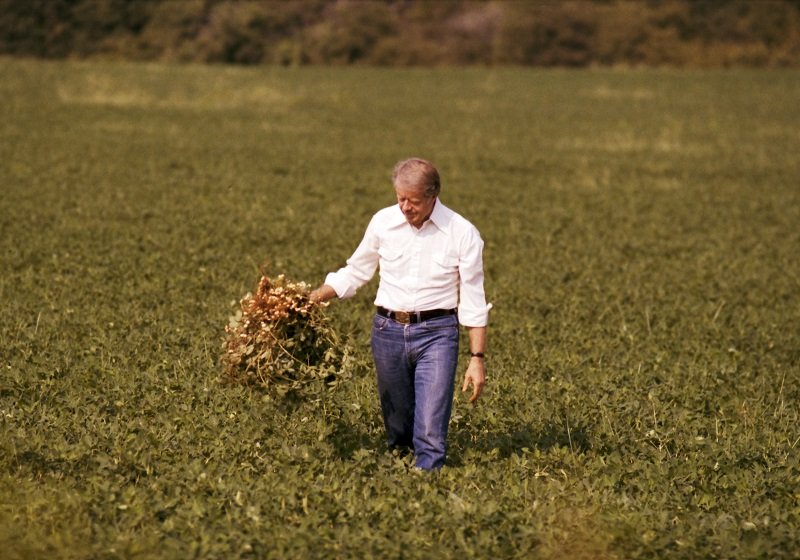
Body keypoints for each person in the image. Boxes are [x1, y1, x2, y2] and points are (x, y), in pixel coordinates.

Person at [309, 158, 490, 470]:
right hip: (387, 332)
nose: (405, 207)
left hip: (437, 334)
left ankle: (428, 488)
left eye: (413, 201)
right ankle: (400, 485)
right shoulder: (383, 222)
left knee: (431, 430)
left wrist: (477, 358)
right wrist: (313, 297)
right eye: (400, 198)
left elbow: (474, 299)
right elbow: (356, 271)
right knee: (398, 428)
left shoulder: (462, 233)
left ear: (433, 196)